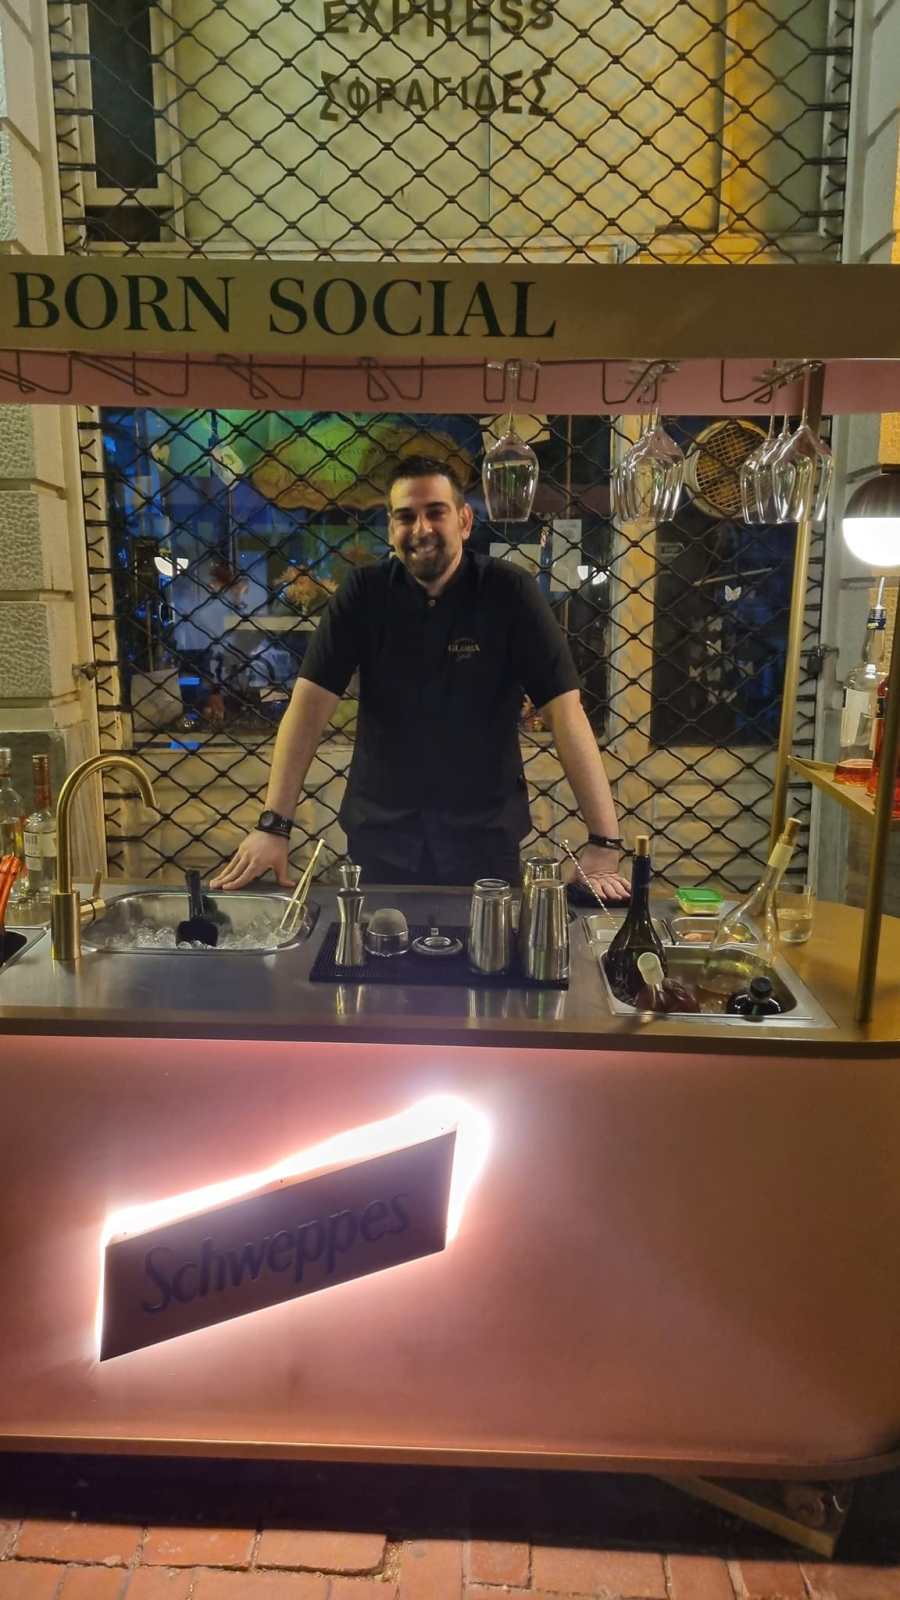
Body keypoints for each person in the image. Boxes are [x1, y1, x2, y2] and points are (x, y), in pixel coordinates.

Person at [211, 457, 630, 896]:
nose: (421, 528)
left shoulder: (509, 591)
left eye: (435, 512)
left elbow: (565, 713)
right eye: (406, 516)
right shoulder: (364, 592)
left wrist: (604, 843)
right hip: (382, 840)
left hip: (484, 841)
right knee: (375, 941)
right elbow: (308, 709)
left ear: (464, 521)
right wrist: (273, 826)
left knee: (488, 942)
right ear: (391, 526)